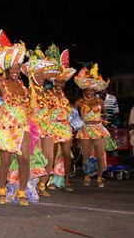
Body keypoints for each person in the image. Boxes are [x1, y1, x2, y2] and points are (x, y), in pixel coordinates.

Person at [0, 29, 32, 206]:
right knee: (6, 161)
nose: (16, 71)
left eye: (18, 67)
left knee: (25, 158)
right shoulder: (1, 83)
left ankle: (22, 192)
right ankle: (2, 190)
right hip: (4, 127)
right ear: (6, 69)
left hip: (22, 126)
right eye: (12, 68)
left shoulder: (22, 84)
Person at [20, 45, 64, 198]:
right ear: (31, 76)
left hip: (47, 127)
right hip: (32, 129)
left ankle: (42, 184)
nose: (41, 78)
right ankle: (29, 184)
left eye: (43, 75)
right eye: (38, 75)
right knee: (34, 157)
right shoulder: (26, 92)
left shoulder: (46, 94)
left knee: (49, 157)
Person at [44, 51, 77, 192]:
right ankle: (49, 179)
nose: (60, 84)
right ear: (53, 81)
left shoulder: (64, 95)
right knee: (52, 152)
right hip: (52, 126)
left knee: (66, 153)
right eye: (57, 81)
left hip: (64, 126)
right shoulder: (47, 94)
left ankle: (66, 180)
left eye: (62, 82)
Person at [73, 63, 110, 187]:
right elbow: (72, 113)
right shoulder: (79, 102)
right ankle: (87, 175)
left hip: (98, 129)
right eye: (87, 90)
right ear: (84, 90)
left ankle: (99, 178)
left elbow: (105, 113)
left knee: (100, 155)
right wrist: (76, 121)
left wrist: (104, 119)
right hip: (85, 130)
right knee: (86, 156)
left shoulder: (100, 101)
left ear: (95, 90)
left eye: (92, 90)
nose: (90, 92)